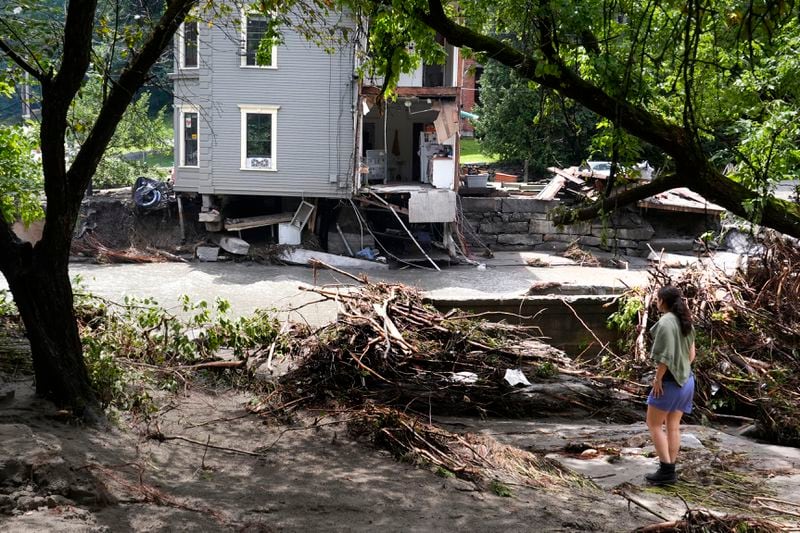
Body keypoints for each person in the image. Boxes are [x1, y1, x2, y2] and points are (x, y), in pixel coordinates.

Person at [645, 285, 696, 485]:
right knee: (673, 426)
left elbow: (664, 357)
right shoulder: (686, 321)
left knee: (654, 424)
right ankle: (670, 468)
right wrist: (681, 369)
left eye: (657, 299)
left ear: (663, 301)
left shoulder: (666, 322)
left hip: (669, 383)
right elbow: (691, 356)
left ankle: (666, 471)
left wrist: (658, 379)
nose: (656, 302)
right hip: (687, 380)